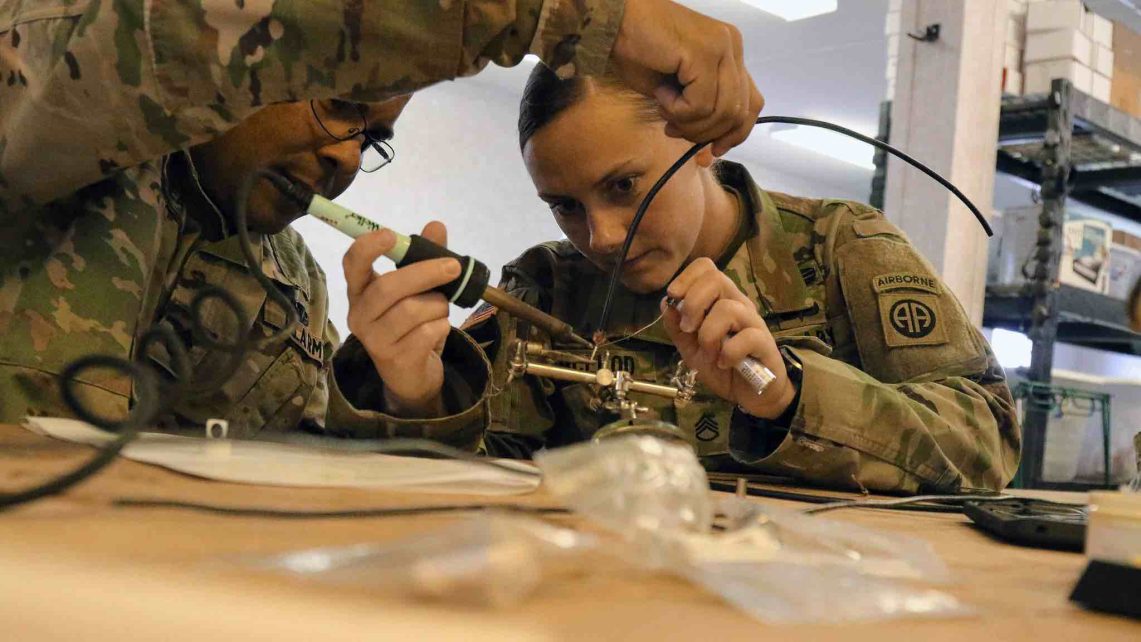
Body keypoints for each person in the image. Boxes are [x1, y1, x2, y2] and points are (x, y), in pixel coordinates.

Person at [0, 0, 763, 430]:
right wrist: (570, 13)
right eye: (339, 106)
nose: (344, 157)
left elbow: (311, 483)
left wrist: (410, 397)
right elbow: (153, 34)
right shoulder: (55, 139)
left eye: (371, 138)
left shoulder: (292, 285)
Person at [333, 66, 1023, 493]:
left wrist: (786, 396)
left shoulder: (844, 246)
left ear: (701, 140)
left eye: (624, 186)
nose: (600, 236)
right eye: (565, 206)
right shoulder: (546, 284)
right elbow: (487, 477)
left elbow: (987, 444)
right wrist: (420, 397)